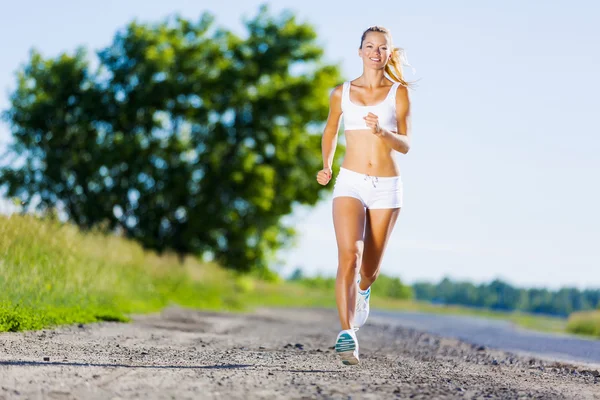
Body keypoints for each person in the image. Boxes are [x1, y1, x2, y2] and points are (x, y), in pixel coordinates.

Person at [316, 25, 412, 365]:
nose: (375, 52)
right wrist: (326, 165)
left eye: (382, 47)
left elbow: (406, 144)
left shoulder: (398, 93)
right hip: (350, 182)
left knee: (369, 269)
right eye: (369, 46)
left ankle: (364, 290)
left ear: (389, 53)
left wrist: (382, 132)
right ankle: (347, 334)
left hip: (387, 187)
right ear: (359, 52)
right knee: (349, 256)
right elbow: (330, 131)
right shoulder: (341, 92)